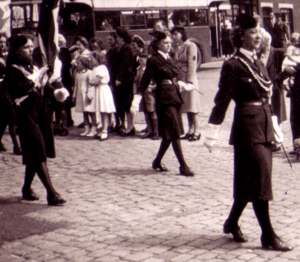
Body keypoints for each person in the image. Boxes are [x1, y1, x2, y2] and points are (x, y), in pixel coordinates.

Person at [204, 14, 292, 251]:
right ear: (240, 35)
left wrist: (274, 123)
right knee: (260, 180)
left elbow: (266, 89)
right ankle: (268, 235)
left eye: (258, 32)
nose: (257, 36)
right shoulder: (232, 65)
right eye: (252, 32)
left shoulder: (257, 62)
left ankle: (232, 222)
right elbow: (222, 100)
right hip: (247, 129)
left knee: (249, 181)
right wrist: (212, 131)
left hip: (263, 126)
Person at [4, 34, 65, 206]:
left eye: (31, 46)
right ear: (17, 50)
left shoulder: (32, 68)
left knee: (36, 151)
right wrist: (38, 80)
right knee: (37, 149)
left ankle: (26, 188)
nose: (31, 50)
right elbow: (24, 88)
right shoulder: (12, 70)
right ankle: (51, 193)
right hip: (25, 115)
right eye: (26, 47)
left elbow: (45, 88)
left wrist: (56, 92)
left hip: (40, 113)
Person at [140, 31, 194, 176]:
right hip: (164, 98)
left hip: (174, 96)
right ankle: (183, 166)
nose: (169, 45)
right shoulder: (154, 60)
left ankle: (157, 161)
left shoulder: (169, 58)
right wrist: (138, 95)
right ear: (158, 44)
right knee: (174, 132)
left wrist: (182, 83)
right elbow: (146, 79)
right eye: (165, 43)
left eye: (170, 43)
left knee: (169, 134)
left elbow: (176, 72)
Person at [171, 26, 201, 141]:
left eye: (176, 34)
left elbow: (192, 64)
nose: (174, 37)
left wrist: (190, 80)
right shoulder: (179, 47)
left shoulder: (190, 45)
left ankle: (197, 131)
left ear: (181, 34)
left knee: (193, 106)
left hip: (189, 79)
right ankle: (190, 129)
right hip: (181, 79)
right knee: (187, 106)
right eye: (173, 34)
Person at [0, 32, 22, 154]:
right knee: (7, 117)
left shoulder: (8, 57)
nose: (2, 45)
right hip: (0, 91)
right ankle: (16, 145)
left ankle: (15, 145)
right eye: (0, 42)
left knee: (8, 117)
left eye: (4, 42)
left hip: (8, 90)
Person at [115, 27, 136, 136]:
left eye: (118, 37)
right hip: (126, 79)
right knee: (126, 104)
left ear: (122, 37)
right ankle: (130, 126)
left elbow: (125, 65)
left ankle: (130, 127)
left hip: (126, 80)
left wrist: (119, 78)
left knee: (127, 104)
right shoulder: (126, 47)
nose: (117, 39)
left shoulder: (127, 48)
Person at [90, 50, 116, 141]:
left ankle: (105, 130)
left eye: (92, 59)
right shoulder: (95, 68)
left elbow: (95, 81)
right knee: (99, 111)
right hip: (98, 90)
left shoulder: (101, 68)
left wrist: (92, 81)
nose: (91, 61)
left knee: (104, 110)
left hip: (103, 90)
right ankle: (100, 129)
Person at [73, 55, 97, 137]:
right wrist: (74, 95)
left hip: (87, 95)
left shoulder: (89, 73)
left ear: (84, 64)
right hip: (80, 95)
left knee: (91, 112)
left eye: (79, 63)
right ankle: (87, 129)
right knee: (84, 113)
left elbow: (91, 85)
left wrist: (90, 95)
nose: (77, 65)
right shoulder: (77, 74)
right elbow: (76, 85)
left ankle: (94, 129)